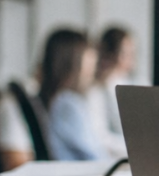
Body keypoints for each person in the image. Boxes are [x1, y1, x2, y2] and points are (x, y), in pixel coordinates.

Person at [39, 28, 107, 161]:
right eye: (88, 70)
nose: (91, 76)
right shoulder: (68, 104)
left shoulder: (57, 101)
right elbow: (95, 158)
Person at [86, 25, 136, 159]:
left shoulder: (134, 83)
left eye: (133, 54)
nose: (132, 61)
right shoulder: (96, 91)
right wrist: (135, 148)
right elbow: (101, 137)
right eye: (126, 54)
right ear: (111, 54)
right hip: (115, 158)